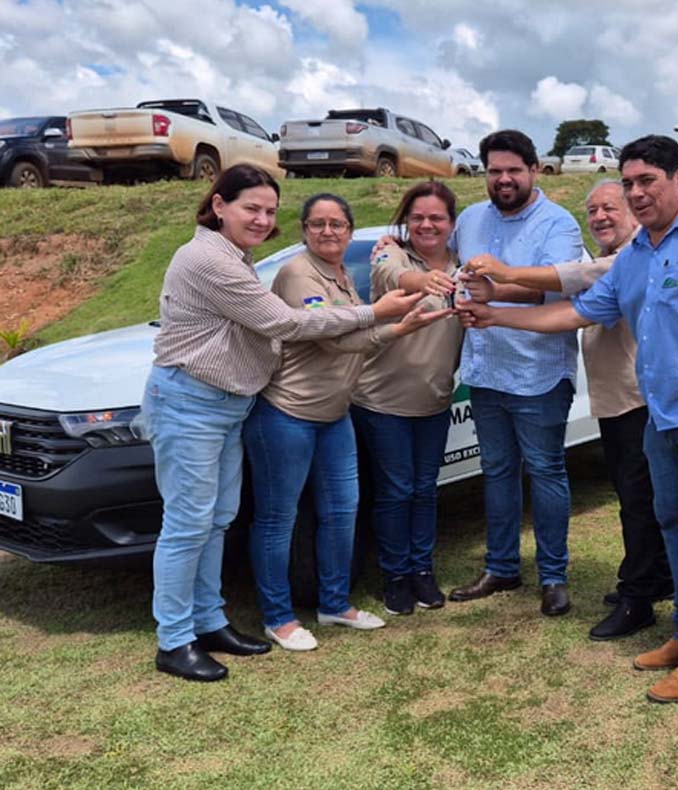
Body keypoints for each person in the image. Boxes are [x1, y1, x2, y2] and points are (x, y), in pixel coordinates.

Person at [458, 135, 678, 702]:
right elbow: (577, 311)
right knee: (673, 522)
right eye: (628, 183)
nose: (635, 192)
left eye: (646, 181)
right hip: (666, 411)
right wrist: (493, 315)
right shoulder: (635, 258)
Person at [142, 165, 418, 681]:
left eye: (270, 211)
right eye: (252, 208)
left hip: (227, 405)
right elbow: (284, 323)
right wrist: (375, 313)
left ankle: (209, 620)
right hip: (192, 404)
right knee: (186, 526)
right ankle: (174, 639)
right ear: (219, 204)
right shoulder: (206, 258)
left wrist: (384, 319)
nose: (262, 218)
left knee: (218, 519)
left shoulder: (236, 257)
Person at [464, 179, 673, 641]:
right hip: (617, 398)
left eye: (609, 208)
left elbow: (575, 288)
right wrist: (495, 313)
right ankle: (648, 579)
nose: (599, 216)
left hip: (640, 397)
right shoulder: (613, 259)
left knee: (640, 500)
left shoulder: (629, 259)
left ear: (634, 213)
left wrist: (504, 278)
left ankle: (639, 595)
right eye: (592, 210)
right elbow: (569, 311)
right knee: (636, 497)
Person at [244, 193, 451, 652]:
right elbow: (332, 338)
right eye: (317, 224)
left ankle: (334, 604)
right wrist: (389, 321)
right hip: (288, 414)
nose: (328, 232)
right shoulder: (298, 273)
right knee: (278, 520)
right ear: (304, 230)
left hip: (335, 415)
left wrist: (398, 328)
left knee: (342, 514)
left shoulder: (340, 274)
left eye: (337, 224)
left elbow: (356, 333)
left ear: (350, 231)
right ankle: (278, 617)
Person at [444, 129, 585, 617]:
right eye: (494, 171)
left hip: (539, 372)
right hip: (484, 371)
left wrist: (497, 284)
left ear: (534, 170)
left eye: (513, 170)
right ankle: (501, 567)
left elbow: (556, 289)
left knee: (546, 471)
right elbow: (442, 262)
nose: (503, 179)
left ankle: (553, 575)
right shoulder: (469, 219)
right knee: (498, 472)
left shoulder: (558, 224)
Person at [351, 181, 465, 616]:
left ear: (451, 224)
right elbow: (392, 276)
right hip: (381, 400)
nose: (426, 225)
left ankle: (422, 570)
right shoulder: (390, 252)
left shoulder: (463, 264)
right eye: (417, 217)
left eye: (436, 217)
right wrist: (427, 279)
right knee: (396, 490)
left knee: (424, 489)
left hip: (435, 401)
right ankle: (396, 575)